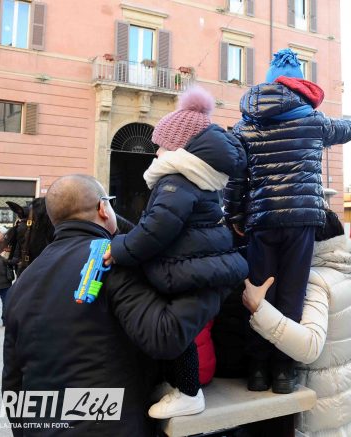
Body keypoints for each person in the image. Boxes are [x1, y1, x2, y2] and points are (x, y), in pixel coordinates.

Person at [2, 175, 220, 435]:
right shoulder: (116, 261)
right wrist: (214, 279)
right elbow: (166, 338)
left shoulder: (23, 280)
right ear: (103, 208)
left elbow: (12, 380)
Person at [223, 48, 351, 394]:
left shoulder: (244, 125)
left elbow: (236, 177)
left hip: (261, 219)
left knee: (259, 291)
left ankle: (257, 370)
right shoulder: (312, 119)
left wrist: (234, 214)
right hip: (301, 219)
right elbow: (342, 128)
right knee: (292, 292)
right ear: (297, 84)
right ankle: (283, 372)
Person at [106, 85, 249, 418]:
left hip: (190, 268)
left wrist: (119, 248)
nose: (155, 152)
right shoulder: (195, 180)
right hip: (195, 265)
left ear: (177, 148)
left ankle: (188, 392)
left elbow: (156, 229)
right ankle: (179, 385)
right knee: (181, 331)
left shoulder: (177, 182)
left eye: (160, 145)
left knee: (177, 334)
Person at [242, 210, 351, 437]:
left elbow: (309, 346)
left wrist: (259, 309)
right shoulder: (342, 272)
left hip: (323, 413)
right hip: (350, 401)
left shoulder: (315, 280)